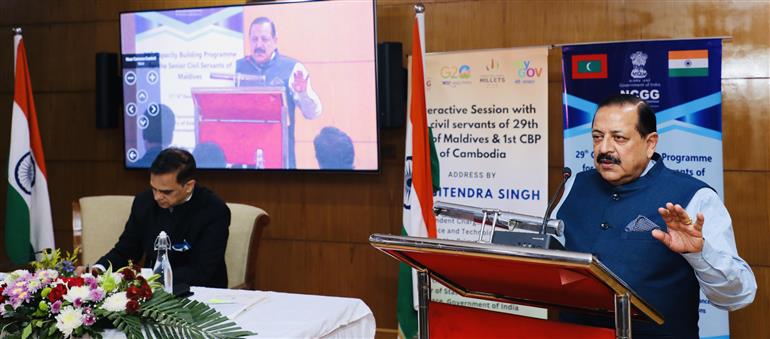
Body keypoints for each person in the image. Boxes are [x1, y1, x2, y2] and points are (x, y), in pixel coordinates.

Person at [552, 94, 756, 338]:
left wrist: (699, 253)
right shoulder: (575, 184)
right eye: (598, 137)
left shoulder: (695, 197)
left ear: (650, 143)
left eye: (619, 138)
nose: (604, 148)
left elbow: (739, 295)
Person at [90, 148, 231, 288]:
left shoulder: (214, 210)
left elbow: (201, 271)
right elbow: (126, 251)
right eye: (153, 188)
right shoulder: (143, 202)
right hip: (151, 292)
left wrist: (149, 278)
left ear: (189, 186)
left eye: (166, 192)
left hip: (200, 293)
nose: (157, 197)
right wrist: (98, 270)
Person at [235, 16, 322, 169]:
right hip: (245, 160)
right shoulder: (237, 68)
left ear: (275, 41)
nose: (259, 45)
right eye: (254, 39)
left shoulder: (293, 69)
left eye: (264, 39)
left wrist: (302, 93)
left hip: (281, 161)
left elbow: (313, 113)